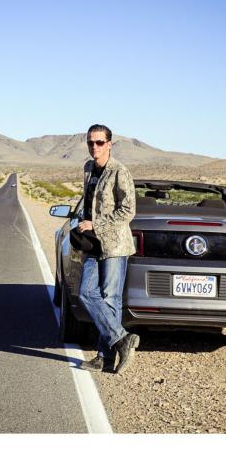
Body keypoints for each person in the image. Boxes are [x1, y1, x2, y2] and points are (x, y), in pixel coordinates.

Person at [77, 124, 140, 374]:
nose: (95, 147)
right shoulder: (88, 168)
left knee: (110, 299)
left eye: (100, 142)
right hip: (93, 244)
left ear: (109, 144)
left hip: (114, 244)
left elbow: (128, 210)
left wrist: (97, 224)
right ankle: (122, 338)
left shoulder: (119, 172)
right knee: (85, 292)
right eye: (91, 142)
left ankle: (104, 357)